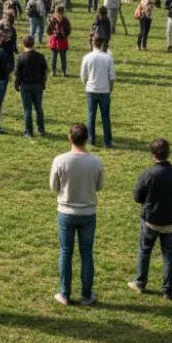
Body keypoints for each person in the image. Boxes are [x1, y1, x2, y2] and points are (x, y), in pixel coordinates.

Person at [49, 122, 103, 306]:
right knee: (86, 253)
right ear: (87, 138)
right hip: (88, 212)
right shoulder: (96, 161)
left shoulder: (60, 160)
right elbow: (99, 186)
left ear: (69, 137)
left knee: (66, 252)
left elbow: (54, 187)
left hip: (66, 211)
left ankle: (64, 294)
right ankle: (87, 295)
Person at [128, 138, 172, 300]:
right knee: (168, 254)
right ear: (168, 153)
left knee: (145, 250)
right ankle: (168, 290)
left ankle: (140, 283)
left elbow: (137, 196)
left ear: (153, 155)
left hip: (151, 220)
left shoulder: (148, 174)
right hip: (171, 220)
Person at [80, 35, 115, 148]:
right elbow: (112, 77)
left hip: (91, 90)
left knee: (91, 116)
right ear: (102, 44)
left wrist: (86, 84)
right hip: (104, 90)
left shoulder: (87, 57)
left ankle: (91, 139)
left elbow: (83, 75)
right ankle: (107, 141)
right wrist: (110, 88)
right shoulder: (108, 58)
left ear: (92, 44)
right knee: (105, 117)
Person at [15, 34, 48, 137]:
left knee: (27, 109)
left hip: (25, 86)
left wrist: (17, 84)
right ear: (33, 44)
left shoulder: (20, 57)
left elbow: (17, 73)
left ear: (23, 44)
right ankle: (41, 129)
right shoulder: (40, 56)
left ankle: (29, 131)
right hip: (38, 85)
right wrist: (43, 83)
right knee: (38, 108)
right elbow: (44, 71)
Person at [47, 6, 71, 76]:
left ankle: (64, 71)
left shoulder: (66, 21)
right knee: (54, 58)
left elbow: (68, 31)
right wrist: (53, 33)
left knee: (63, 57)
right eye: (57, 15)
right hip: (54, 42)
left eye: (60, 15)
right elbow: (48, 31)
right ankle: (53, 71)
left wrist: (63, 34)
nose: (58, 17)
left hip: (62, 42)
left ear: (63, 14)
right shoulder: (52, 21)